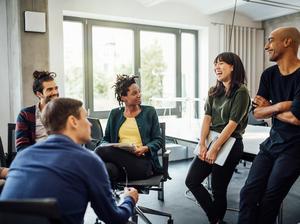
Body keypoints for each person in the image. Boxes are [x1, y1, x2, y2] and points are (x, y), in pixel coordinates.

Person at [0, 98, 139, 224]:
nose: (90, 124)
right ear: (73, 121)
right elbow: (114, 218)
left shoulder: (23, 157)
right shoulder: (88, 161)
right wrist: (129, 199)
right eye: (85, 118)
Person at [238, 27, 300, 224]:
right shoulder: (269, 75)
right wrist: (282, 105)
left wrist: (270, 107)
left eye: (271, 40)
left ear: (288, 42)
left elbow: (297, 119)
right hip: (272, 143)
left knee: (269, 200)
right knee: (248, 194)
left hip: (295, 148)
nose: (266, 46)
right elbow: (256, 112)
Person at [185, 52, 250, 224]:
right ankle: (217, 220)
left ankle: (215, 221)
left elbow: (232, 124)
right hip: (211, 140)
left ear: (232, 66)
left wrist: (214, 148)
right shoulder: (213, 91)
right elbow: (207, 118)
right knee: (192, 181)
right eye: (215, 64)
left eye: (221, 63)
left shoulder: (241, 92)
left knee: (218, 190)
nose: (217, 67)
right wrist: (203, 143)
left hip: (230, 143)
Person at [95, 74, 163, 183]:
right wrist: (109, 145)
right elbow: (105, 139)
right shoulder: (114, 114)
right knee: (108, 170)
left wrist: (145, 148)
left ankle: (81, 175)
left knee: (100, 151)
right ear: (123, 97)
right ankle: (123, 199)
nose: (139, 95)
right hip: (120, 164)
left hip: (142, 164)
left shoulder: (149, 112)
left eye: (139, 91)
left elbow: (158, 140)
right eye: (134, 93)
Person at [16, 70, 59, 152]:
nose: (55, 92)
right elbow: (21, 148)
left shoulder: (65, 112)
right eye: (49, 89)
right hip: (36, 159)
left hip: (60, 159)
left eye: (56, 88)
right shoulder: (25, 114)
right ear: (39, 94)